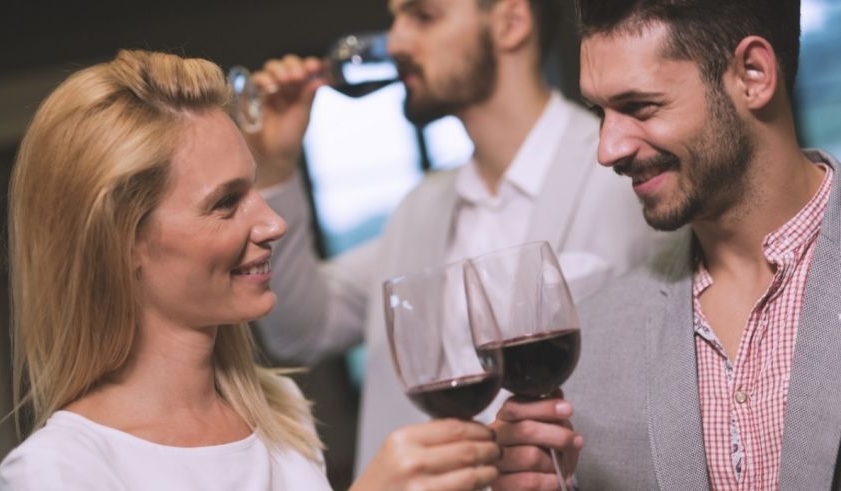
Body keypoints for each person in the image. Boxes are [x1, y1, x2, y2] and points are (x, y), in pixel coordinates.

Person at [0, 49, 502, 491]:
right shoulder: (58, 471)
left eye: (256, 190)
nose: (275, 223)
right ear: (123, 241)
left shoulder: (280, 408)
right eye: (225, 203)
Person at [248, 0, 664, 472]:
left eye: (423, 16)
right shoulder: (418, 208)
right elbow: (303, 328)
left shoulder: (630, 180)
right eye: (396, 19)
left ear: (511, 22)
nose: (398, 41)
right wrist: (277, 166)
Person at [494, 0, 841, 489]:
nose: (607, 149)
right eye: (600, 112)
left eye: (639, 107)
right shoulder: (589, 345)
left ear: (754, 75)